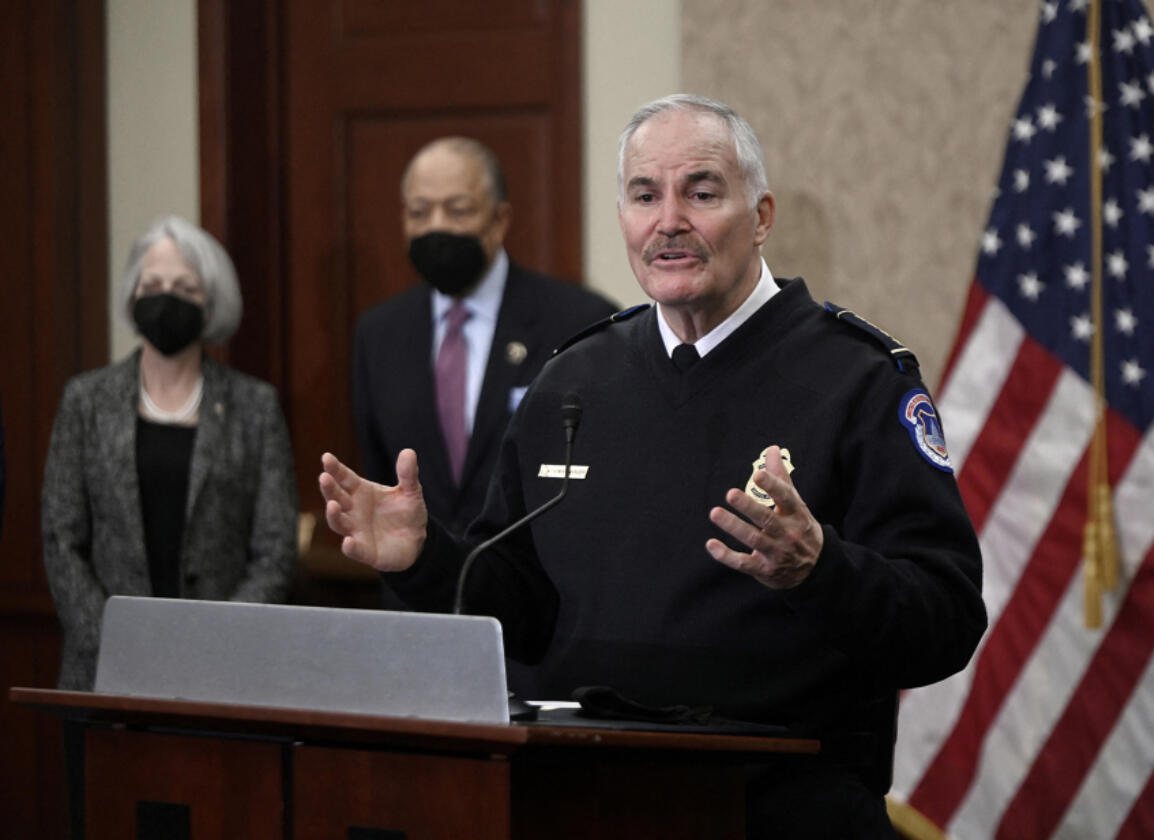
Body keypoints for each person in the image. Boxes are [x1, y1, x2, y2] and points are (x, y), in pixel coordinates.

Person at [320, 95, 986, 838]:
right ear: (624, 219)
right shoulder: (572, 380)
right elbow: (521, 609)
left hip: (776, 810)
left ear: (761, 217)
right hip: (579, 800)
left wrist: (819, 569)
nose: (669, 219)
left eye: (701, 193)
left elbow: (947, 620)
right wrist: (425, 557)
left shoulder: (857, 379)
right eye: (645, 195)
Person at [42, 215, 298, 691]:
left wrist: (210, 644)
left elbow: (275, 552)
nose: (165, 299)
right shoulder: (85, 401)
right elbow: (61, 538)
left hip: (223, 673)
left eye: (183, 288)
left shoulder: (255, 407)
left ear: (211, 303)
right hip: (104, 671)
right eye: (153, 284)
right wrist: (115, 640)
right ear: (132, 294)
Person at [351, 137, 618, 539]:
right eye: (419, 212)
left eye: (457, 210)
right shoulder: (379, 334)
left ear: (499, 220)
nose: (436, 226)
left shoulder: (579, 321)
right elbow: (378, 472)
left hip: (534, 589)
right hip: (419, 588)